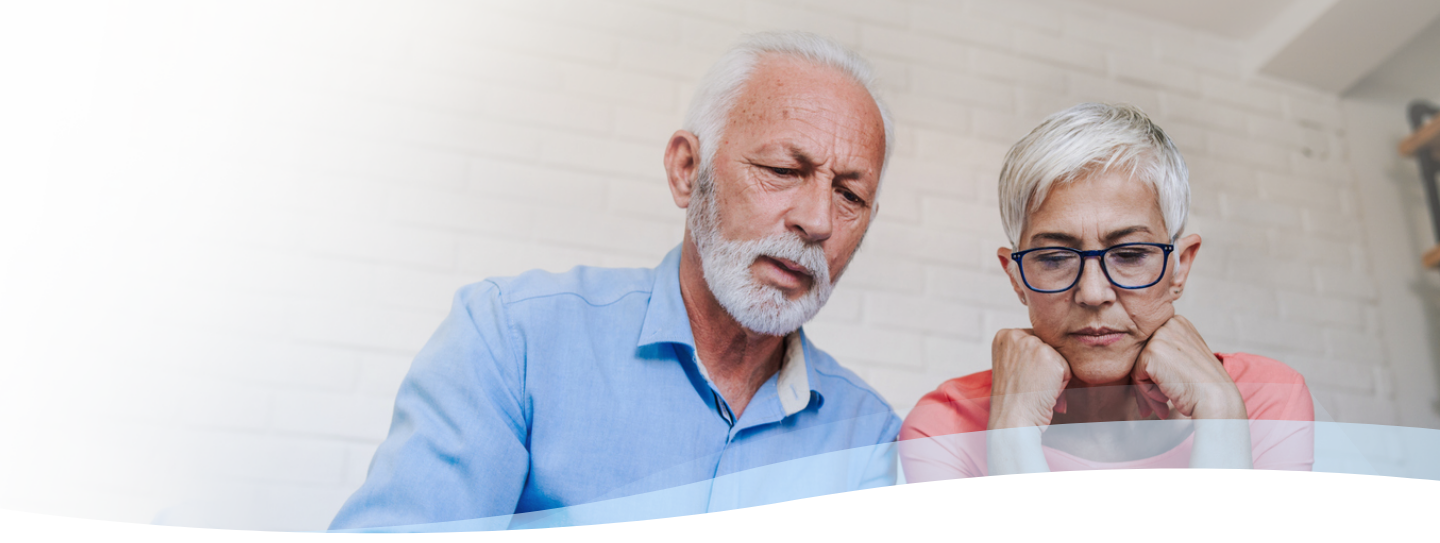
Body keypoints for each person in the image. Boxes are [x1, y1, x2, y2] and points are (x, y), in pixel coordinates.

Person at [330, 31, 901, 531]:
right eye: (782, 170)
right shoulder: (514, 340)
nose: (818, 221)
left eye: (849, 195)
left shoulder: (872, 439)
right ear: (687, 170)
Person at [899, 103, 1313, 481]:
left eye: (1130, 254)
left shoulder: (1265, 396)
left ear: (1180, 267)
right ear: (1015, 277)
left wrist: (1221, 414)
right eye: (1054, 258)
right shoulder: (944, 426)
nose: (1093, 293)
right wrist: (1011, 433)